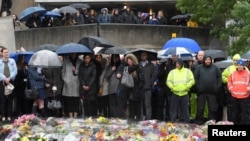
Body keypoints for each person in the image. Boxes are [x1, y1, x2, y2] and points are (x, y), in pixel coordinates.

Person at [194, 56, 222, 125]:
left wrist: (217, 87)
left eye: (209, 60)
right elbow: (196, 78)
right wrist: (199, 87)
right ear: (204, 60)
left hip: (212, 92)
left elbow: (219, 77)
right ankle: (199, 122)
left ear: (211, 60)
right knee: (200, 108)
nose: (208, 61)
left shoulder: (215, 68)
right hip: (201, 92)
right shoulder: (199, 68)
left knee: (212, 108)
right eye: (206, 60)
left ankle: (211, 122)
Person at [167, 58, 195, 123]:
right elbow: (168, 81)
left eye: (178, 63)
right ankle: (173, 123)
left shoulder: (188, 71)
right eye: (176, 63)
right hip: (175, 93)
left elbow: (192, 80)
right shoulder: (172, 72)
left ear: (181, 63)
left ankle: (187, 123)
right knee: (174, 110)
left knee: (185, 110)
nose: (177, 65)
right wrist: (173, 88)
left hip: (185, 93)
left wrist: (187, 87)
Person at [227, 59, 250, 124]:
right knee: (235, 113)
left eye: (241, 65)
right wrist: (231, 89)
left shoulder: (248, 73)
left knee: (245, 114)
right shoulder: (233, 74)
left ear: (243, 66)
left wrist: (248, 88)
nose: (239, 66)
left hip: (245, 97)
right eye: (238, 65)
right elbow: (229, 82)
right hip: (235, 97)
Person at [62, 53, 82, 118]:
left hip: (77, 82)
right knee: (69, 100)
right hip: (68, 82)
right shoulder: (65, 61)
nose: (73, 54)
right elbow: (63, 72)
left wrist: (75, 71)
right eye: (72, 53)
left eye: (75, 53)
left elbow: (81, 72)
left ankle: (75, 115)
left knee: (76, 100)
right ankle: (70, 115)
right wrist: (65, 79)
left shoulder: (80, 61)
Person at [0, 48, 17, 122]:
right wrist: (4, 78)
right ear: (2, 53)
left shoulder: (12, 61)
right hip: (2, 82)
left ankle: (9, 116)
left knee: (10, 99)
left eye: (7, 52)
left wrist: (9, 78)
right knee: (3, 99)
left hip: (11, 81)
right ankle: (3, 116)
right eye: (5, 52)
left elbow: (15, 71)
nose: (6, 53)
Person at [139, 51, 157, 120]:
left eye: (144, 55)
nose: (143, 57)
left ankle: (148, 119)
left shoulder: (151, 65)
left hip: (147, 88)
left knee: (148, 105)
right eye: (141, 55)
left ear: (147, 56)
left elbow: (154, 75)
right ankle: (140, 119)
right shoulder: (138, 65)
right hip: (140, 88)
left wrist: (150, 83)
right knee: (140, 105)